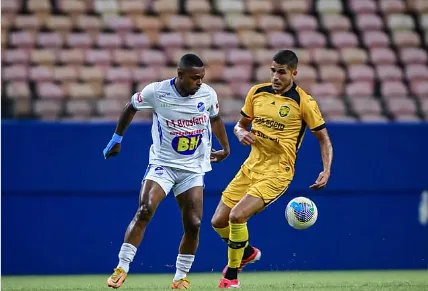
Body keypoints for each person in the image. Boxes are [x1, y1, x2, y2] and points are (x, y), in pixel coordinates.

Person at [103, 54, 230, 289]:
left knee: (194, 224)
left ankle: (180, 277)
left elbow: (216, 118)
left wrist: (226, 147)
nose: (199, 82)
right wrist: (117, 138)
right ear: (180, 75)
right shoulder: (156, 92)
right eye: (194, 78)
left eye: (202, 78)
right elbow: (130, 107)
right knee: (145, 209)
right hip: (163, 164)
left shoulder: (208, 94)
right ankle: (122, 266)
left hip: (192, 169)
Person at [210, 49, 334, 288]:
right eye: (273, 71)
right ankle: (245, 252)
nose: (276, 76)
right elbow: (239, 125)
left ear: (294, 73)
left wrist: (326, 170)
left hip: (278, 171)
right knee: (218, 221)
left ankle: (231, 276)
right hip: (251, 166)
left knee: (237, 216)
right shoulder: (257, 92)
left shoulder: (304, 102)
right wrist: (241, 133)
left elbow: (324, 139)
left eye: (282, 72)